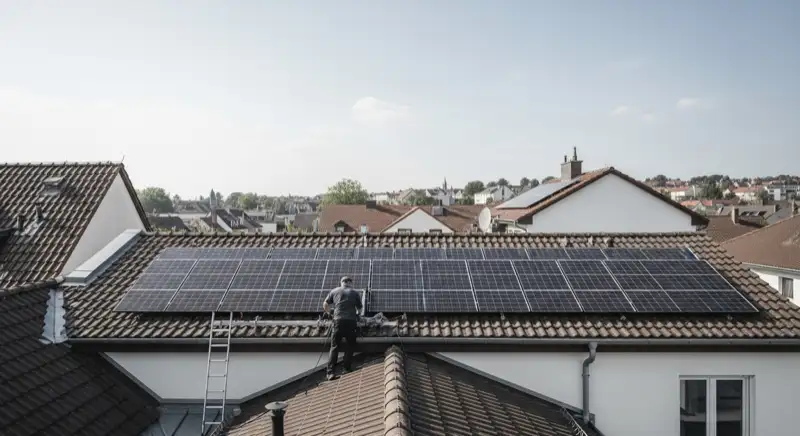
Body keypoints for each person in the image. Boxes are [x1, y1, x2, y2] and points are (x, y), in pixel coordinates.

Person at [323, 276, 363, 380]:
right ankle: (346, 368)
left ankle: (330, 372)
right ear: (350, 283)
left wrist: (330, 313)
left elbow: (325, 304)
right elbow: (359, 308)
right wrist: (358, 315)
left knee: (334, 347)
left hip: (338, 321)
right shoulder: (354, 293)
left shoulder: (334, 291)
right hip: (351, 321)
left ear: (341, 282)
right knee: (350, 345)